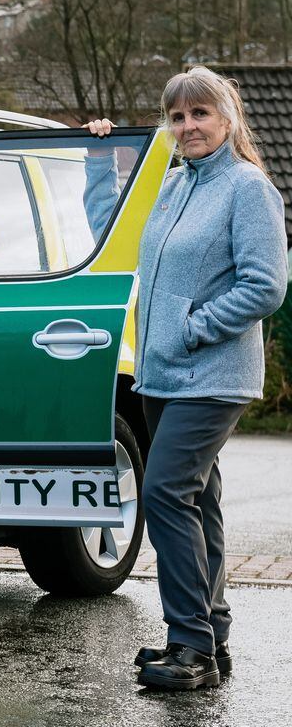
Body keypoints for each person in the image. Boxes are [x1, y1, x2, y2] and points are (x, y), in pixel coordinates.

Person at [86, 65, 287, 690]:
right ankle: (212, 634)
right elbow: (108, 230)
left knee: (165, 493)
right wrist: (99, 160)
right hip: (162, 376)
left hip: (214, 372)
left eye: (199, 113)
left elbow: (266, 285)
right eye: (177, 116)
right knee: (198, 499)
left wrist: (193, 327)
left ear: (227, 119)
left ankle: (189, 646)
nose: (188, 126)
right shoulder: (173, 186)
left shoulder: (247, 187)